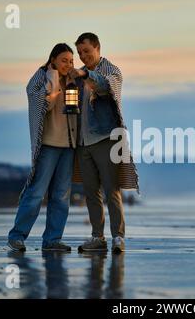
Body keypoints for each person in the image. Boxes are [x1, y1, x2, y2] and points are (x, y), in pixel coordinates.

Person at [69, 32, 139, 253]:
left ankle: (118, 237)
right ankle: (97, 237)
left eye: (87, 51)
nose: (83, 56)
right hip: (83, 141)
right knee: (91, 192)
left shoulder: (111, 70)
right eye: (80, 53)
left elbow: (106, 87)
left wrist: (85, 74)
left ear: (98, 48)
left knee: (112, 189)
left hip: (107, 138)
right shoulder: (78, 76)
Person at [7, 43, 78, 252]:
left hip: (68, 146)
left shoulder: (73, 81)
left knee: (61, 196)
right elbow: (45, 104)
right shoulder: (40, 77)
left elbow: (73, 112)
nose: (68, 64)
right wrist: (53, 77)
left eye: (71, 61)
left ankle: (53, 240)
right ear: (53, 60)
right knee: (36, 193)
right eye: (64, 60)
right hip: (47, 145)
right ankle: (17, 236)